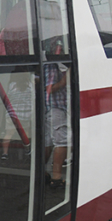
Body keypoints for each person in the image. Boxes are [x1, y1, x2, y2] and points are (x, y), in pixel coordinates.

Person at [44, 39, 70, 189]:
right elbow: (49, 88)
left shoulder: (56, 66)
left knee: (49, 141)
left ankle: (43, 173)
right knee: (62, 141)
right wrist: (64, 80)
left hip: (55, 107)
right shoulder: (52, 66)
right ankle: (56, 178)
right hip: (56, 107)